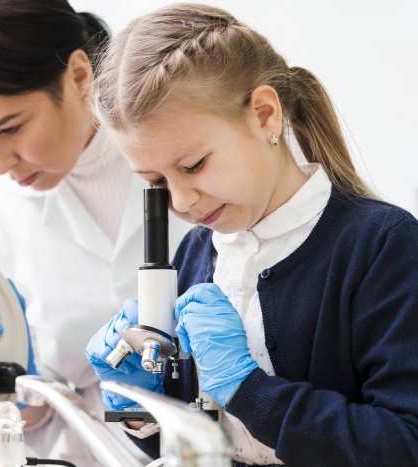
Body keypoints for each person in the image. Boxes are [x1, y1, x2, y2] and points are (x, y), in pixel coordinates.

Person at [86, 3, 418, 466]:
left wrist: (249, 390)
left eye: (193, 165)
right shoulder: (197, 253)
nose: (180, 202)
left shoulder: (382, 245)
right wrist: (142, 407)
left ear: (265, 115)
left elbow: (404, 444)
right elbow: (195, 444)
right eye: (156, 182)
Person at [0, 0, 192, 465]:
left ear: (78, 75)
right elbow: (17, 421)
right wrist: (6, 382)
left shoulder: (189, 153)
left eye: (10, 128)